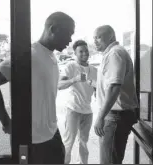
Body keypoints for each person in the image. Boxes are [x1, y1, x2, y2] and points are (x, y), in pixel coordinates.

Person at [0, 11, 75, 164]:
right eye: (68, 34)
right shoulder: (29, 55)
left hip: (51, 132)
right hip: (32, 140)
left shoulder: (51, 56)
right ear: (53, 29)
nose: (70, 40)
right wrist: (6, 122)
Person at [93, 25, 138, 164]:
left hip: (115, 117)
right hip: (116, 116)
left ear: (111, 36)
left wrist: (100, 116)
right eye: (94, 38)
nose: (95, 41)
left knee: (109, 161)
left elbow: (114, 87)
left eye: (99, 37)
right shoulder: (112, 53)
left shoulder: (114, 53)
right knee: (112, 159)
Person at [58, 40, 97, 164]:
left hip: (88, 111)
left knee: (84, 143)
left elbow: (98, 90)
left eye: (86, 50)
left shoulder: (94, 70)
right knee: (68, 143)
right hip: (73, 110)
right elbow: (59, 85)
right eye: (81, 51)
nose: (84, 53)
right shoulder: (71, 66)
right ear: (75, 53)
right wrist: (74, 79)